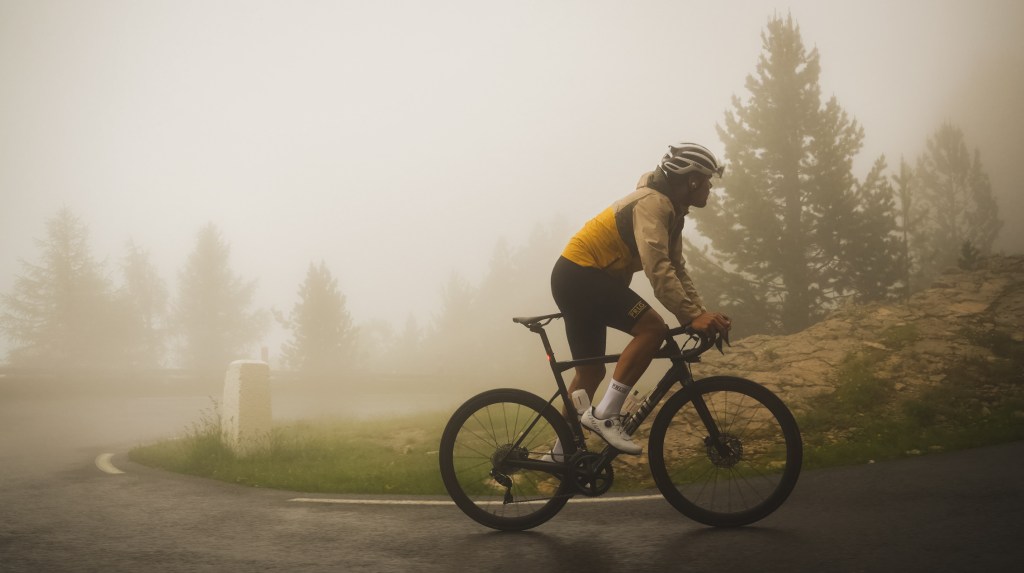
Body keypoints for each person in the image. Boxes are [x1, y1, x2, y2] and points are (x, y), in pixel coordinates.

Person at [547, 142, 732, 459]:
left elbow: (677, 269)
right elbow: (657, 269)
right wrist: (689, 317)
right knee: (653, 329)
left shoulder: (672, 212)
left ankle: (559, 457)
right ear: (691, 181)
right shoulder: (653, 205)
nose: (710, 188)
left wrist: (700, 313)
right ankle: (606, 415)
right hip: (581, 275)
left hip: (575, 277)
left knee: (590, 373)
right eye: (707, 180)